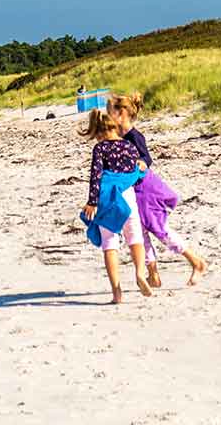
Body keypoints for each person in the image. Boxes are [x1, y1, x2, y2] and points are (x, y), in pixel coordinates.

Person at [111, 96, 209, 288]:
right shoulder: (119, 137)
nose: (108, 116)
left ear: (121, 114)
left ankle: (196, 262)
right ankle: (153, 274)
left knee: (159, 229)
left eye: (110, 112)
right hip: (132, 190)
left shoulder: (134, 136)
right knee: (140, 232)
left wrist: (141, 163)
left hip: (146, 189)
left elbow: (146, 157)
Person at [79, 106, 152, 303]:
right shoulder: (130, 147)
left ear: (100, 132)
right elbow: (136, 174)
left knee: (110, 243)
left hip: (108, 200)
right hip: (128, 198)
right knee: (135, 238)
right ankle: (139, 274)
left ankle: (117, 293)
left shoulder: (100, 148)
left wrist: (92, 202)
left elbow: (96, 177)